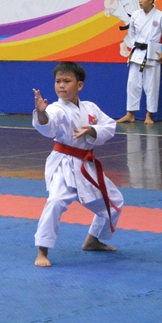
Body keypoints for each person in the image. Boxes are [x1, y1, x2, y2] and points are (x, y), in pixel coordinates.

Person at [32, 61, 121, 266]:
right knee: (55, 201)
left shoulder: (90, 107)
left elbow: (109, 125)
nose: (61, 85)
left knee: (114, 202)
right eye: (57, 81)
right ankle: (42, 251)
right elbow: (48, 125)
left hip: (86, 164)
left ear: (79, 85)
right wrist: (42, 113)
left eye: (66, 81)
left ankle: (93, 240)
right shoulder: (56, 108)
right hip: (64, 164)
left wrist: (91, 130)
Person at [118, 0, 162, 125]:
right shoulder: (136, 15)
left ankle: (149, 115)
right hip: (137, 53)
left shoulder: (160, 16)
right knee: (132, 84)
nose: (140, 1)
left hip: (152, 54)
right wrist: (132, 45)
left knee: (151, 86)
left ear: (151, 0)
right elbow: (131, 33)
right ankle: (130, 114)